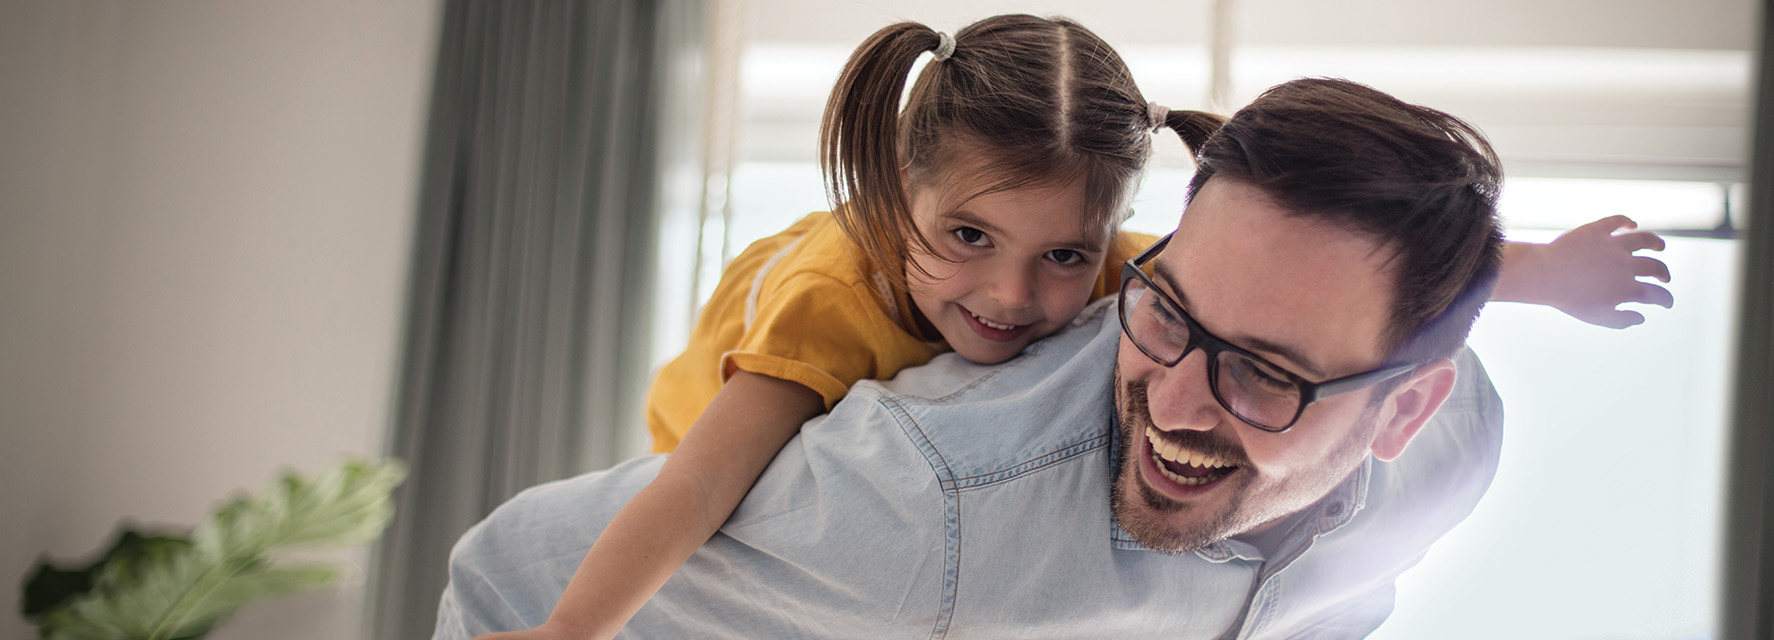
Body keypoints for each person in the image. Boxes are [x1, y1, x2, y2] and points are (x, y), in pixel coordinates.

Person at [465, 14, 1671, 639]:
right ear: (903, 201)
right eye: (968, 241)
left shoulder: (1445, 434)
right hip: (724, 435)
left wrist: (1545, 272)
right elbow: (609, 528)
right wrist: (577, 629)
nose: (1013, 298)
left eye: (1267, 372)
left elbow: (1408, 280)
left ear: (1411, 402)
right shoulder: (900, 454)